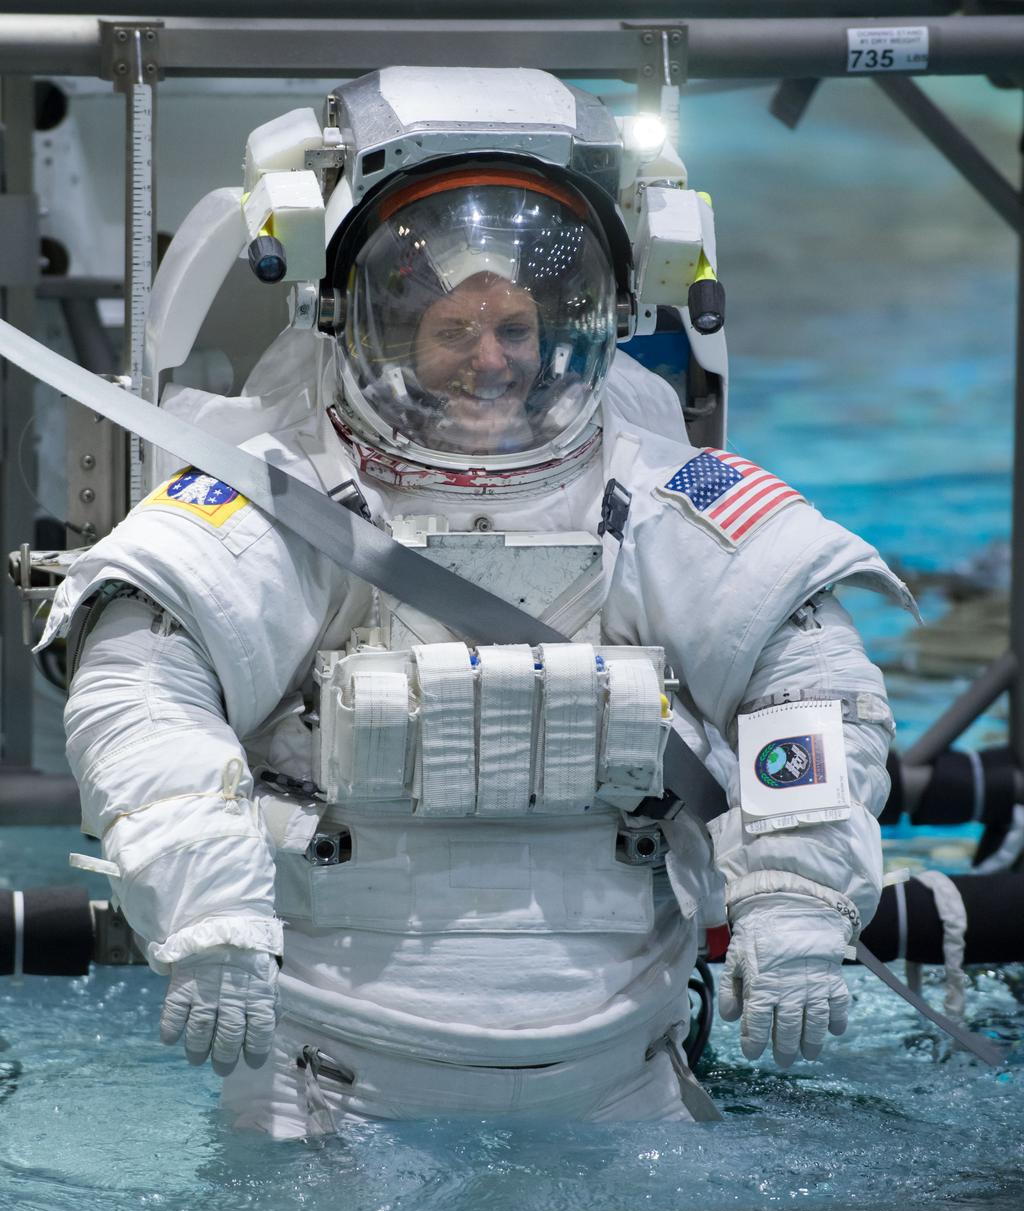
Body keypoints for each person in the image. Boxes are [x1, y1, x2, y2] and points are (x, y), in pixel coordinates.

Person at [42, 68, 912, 1136]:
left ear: (573, 325)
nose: (489, 360)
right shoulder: (284, 492)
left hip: (620, 1071)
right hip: (327, 1078)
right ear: (376, 327)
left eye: (515, 328)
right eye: (454, 331)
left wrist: (794, 892)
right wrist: (209, 907)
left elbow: (807, 683)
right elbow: (143, 690)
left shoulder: (658, 488)